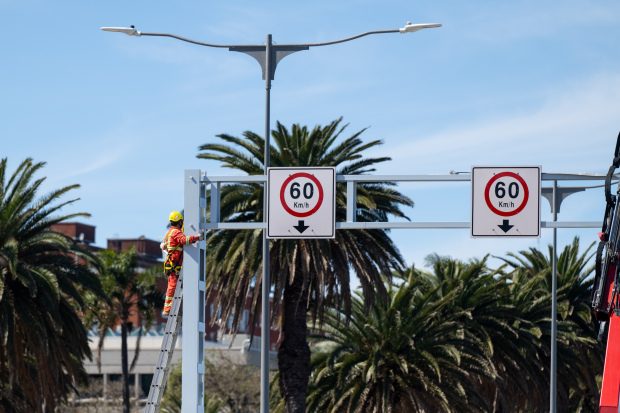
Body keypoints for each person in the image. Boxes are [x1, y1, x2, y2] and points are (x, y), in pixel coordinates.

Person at [161, 211, 203, 316]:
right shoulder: (176, 232)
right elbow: (184, 240)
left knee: (171, 286)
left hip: (172, 263)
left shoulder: (169, 233)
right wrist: (197, 237)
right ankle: (168, 308)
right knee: (173, 286)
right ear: (180, 222)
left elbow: (166, 246)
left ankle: (168, 307)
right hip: (175, 264)